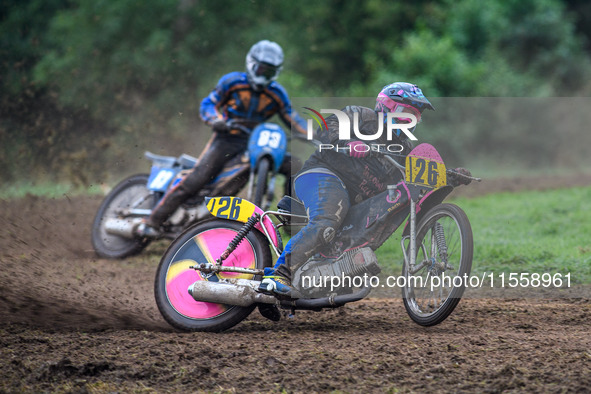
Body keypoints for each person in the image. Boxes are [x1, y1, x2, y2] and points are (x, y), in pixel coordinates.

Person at [261, 82, 471, 296]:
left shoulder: (405, 149)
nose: (410, 121)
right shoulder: (360, 115)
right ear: (386, 107)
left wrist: (448, 176)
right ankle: (278, 274)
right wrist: (349, 143)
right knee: (327, 220)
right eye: (406, 113)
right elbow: (327, 130)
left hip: (354, 202)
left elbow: (416, 180)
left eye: (415, 116)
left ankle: (317, 278)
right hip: (322, 174)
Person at [136, 40, 308, 237]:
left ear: (276, 73)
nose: (262, 75)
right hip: (226, 138)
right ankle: (152, 220)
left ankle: (291, 220)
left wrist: (316, 134)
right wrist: (215, 119)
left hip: (256, 144)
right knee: (197, 178)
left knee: (294, 164)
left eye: (268, 72)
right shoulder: (232, 82)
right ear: (251, 64)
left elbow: (293, 118)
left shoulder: (277, 93)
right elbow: (209, 103)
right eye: (260, 69)